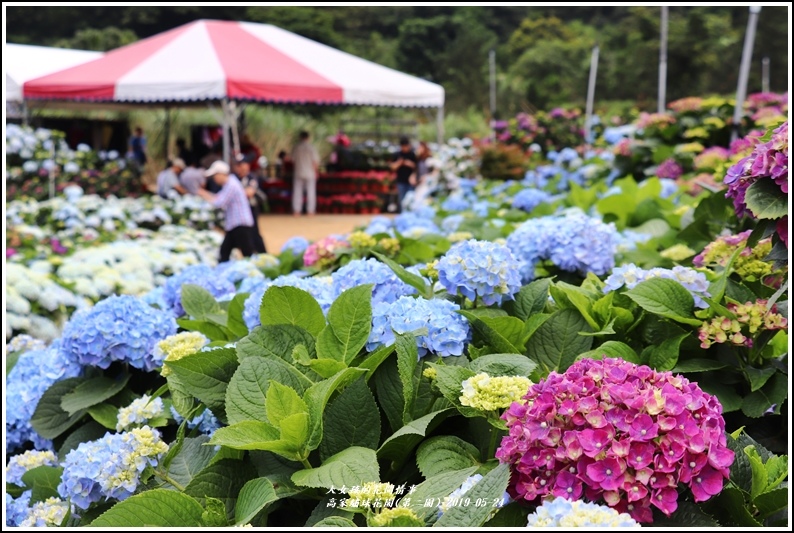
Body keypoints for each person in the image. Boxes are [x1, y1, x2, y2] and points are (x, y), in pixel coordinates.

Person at [196, 161, 257, 263]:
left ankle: (255, 273)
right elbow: (218, 198)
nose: (214, 179)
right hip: (235, 225)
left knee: (247, 253)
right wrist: (205, 194)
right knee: (225, 252)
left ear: (220, 174)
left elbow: (219, 202)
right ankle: (223, 272)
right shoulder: (230, 183)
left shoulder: (231, 185)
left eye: (214, 175)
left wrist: (204, 194)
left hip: (240, 224)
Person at [233, 153, 268, 253]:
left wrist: (236, 193)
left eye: (242, 164)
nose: (240, 167)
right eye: (238, 165)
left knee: (254, 232)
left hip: (250, 209)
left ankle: (262, 254)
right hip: (237, 211)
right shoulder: (234, 178)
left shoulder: (251, 177)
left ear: (247, 165)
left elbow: (250, 192)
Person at [291, 131, 320, 216]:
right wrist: (316, 172)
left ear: (300, 137)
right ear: (308, 137)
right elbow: (315, 161)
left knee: (297, 192)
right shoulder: (311, 147)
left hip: (299, 172)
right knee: (311, 192)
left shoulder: (296, 147)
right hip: (310, 172)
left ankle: (297, 210)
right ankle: (310, 211)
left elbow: (293, 160)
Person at [390, 136, 418, 211]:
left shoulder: (412, 155)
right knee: (402, 200)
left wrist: (409, 164)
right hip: (401, 181)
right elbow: (392, 167)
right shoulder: (397, 155)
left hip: (411, 181)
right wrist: (399, 163)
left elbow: (417, 167)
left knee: (411, 199)